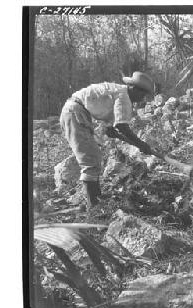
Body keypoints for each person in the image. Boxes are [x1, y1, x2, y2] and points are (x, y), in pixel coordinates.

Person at [59, 71, 156, 211]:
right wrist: (141, 144)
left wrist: (113, 131)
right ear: (134, 88)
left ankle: (96, 202)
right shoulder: (124, 96)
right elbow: (122, 126)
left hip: (75, 111)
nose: (142, 99)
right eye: (142, 94)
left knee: (93, 159)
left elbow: (112, 127)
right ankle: (94, 208)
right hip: (75, 112)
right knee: (90, 161)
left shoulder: (118, 92)